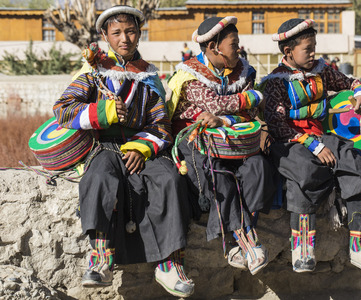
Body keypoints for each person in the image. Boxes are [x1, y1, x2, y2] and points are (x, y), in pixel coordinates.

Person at [53, 6, 194, 298]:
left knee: (169, 178)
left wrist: (143, 148)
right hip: (103, 146)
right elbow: (63, 110)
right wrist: (101, 111)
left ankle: (169, 262)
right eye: (116, 32)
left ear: (139, 34)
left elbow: (162, 124)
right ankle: (100, 255)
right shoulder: (93, 72)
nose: (124, 38)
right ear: (105, 36)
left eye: (130, 31)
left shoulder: (150, 76)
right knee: (100, 177)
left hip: (142, 147)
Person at [261, 18, 361, 274]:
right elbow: (276, 124)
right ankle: (303, 247)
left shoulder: (321, 71)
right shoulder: (276, 82)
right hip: (289, 141)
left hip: (320, 135)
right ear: (288, 52)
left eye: (314, 47)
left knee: (356, 165)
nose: (313, 53)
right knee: (305, 172)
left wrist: (360, 92)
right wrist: (313, 146)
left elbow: (349, 82)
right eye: (307, 49)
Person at [166, 16, 276, 275]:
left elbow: (241, 114)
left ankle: (233, 245)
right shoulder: (190, 74)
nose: (238, 48)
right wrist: (252, 96)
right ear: (214, 47)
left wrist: (226, 118)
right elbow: (214, 104)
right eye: (233, 43)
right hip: (195, 142)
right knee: (219, 175)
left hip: (235, 139)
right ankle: (247, 241)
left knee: (258, 167)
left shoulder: (244, 71)